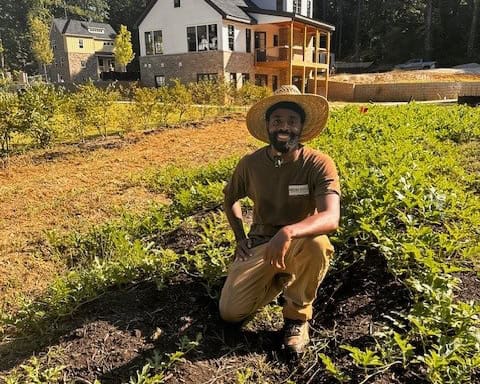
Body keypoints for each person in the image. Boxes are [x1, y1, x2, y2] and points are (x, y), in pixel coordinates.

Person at [219, 85, 340, 354]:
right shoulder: (250, 164)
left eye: (291, 121)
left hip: (299, 244)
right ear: (267, 126)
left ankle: (296, 317)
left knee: (317, 244)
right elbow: (230, 198)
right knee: (230, 313)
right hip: (261, 244)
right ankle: (280, 279)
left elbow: (331, 216)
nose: (284, 127)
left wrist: (288, 232)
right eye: (277, 121)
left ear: (301, 126)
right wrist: (240, 237)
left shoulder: (318, 163)